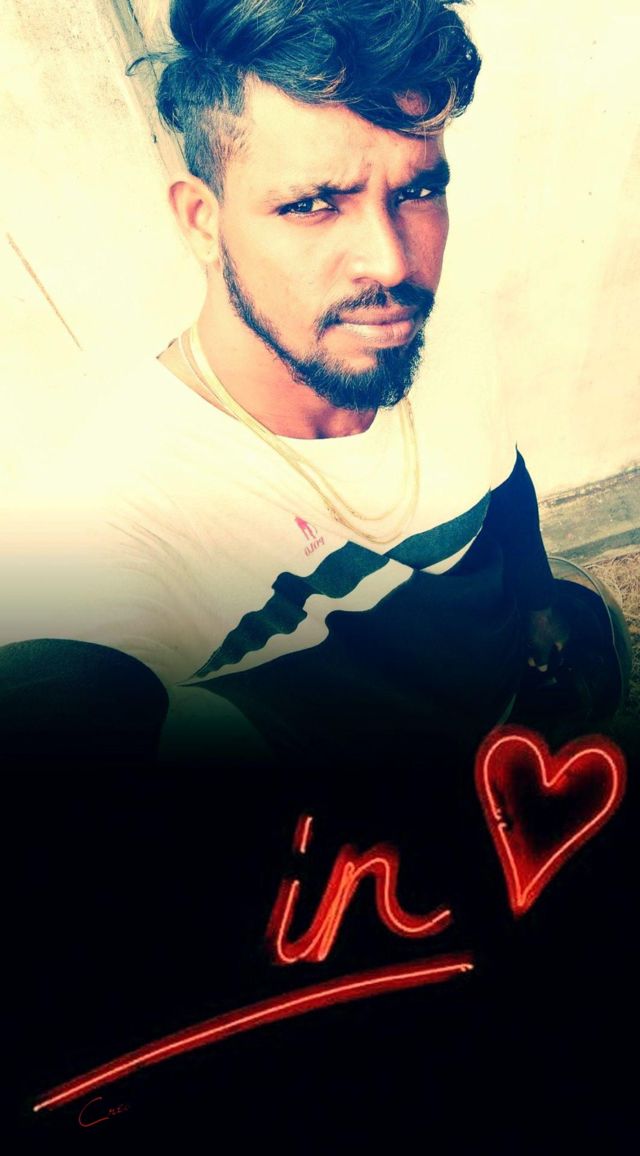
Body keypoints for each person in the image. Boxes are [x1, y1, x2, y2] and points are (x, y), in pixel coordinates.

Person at [2, 0, 579, 773]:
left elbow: (500, 477)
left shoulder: (442, 334)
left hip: (512, 717)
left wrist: (540, 606)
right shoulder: (110, 515)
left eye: (416, 191)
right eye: (311, 205)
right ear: (202, 222)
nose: (391, 264)